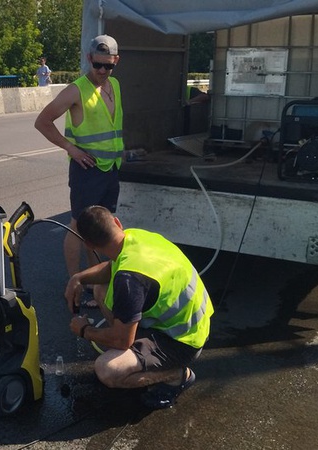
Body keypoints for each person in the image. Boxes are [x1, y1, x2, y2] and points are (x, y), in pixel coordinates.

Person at [64, 206, 213, 410]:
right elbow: (111, 267)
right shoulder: (135, 236)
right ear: (117, 223)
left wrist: (84, 330)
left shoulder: (129, 281)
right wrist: (78, 278)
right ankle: (133, 350)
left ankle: (178, 375)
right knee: (100, 289)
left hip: (182, 342)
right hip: (190, 322)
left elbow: (123, 340)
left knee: (107, 370)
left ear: (89, 245)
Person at [34, 35, 124, 306]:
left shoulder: (115, 86)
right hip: (87, 171)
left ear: (115, 62)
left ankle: (95, 284)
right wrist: (70, 149)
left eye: (108, 66)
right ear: (89, 59)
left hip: (111, 169)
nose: (102, 71)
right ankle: (75, 283)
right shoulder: (76, 90)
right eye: (97, 65)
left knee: (101, 229)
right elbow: (43, 122)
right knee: (78, 227)